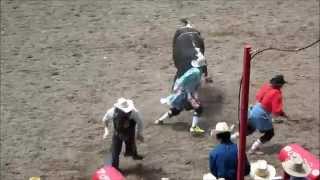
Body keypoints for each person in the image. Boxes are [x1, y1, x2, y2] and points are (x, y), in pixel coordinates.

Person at [155, 57, 206, 133]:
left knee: (177, 109)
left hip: (185, 94)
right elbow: (183, 79)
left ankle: (160, 120)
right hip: (185, 94)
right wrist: (177, 88)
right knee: (199, 108)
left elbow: (194, 86)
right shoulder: (195, 72)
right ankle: (193, 127)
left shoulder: (197, 71)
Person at [247, 74, 289, 154]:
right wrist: (284, 115)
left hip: (255, 109)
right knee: (270, 133)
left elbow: (258, 98)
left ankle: (230, 138)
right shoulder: (277, 93)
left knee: (249, 128)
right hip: (261, 114)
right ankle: (253, 149)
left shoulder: (266, 87)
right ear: (279, 85)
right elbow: (276, 111)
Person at [102, 97, 144, 170]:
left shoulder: (134, 112)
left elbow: (140, 122)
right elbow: (105, 120)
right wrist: (106, 130)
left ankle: (134, 154)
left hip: (130, 131)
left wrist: (139, 134)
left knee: (131, 144)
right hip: (117, 132)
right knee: (114, 151)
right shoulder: (111, 112)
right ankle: (114, 168)